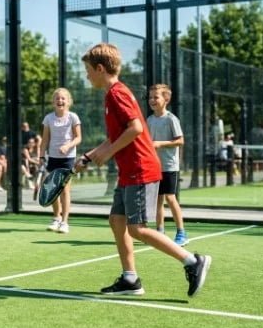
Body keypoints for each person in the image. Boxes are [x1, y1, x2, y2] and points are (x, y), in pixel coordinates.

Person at [77, 42, 211, 297]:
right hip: (129, 172)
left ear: (100, 68)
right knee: (117, 220)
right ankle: (130, 279)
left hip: (140, 169)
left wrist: (110, 152)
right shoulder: (111, 95)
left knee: (137, 228)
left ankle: (193, 261)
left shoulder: (117, 93)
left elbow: (137, 128)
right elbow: (115, 136)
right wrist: (89, 156)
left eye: (88, 70)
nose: (86, 75)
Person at [147, 84, 188, 246]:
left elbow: (180, 140)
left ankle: (181, 232)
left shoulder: (171, 119)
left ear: (166, 99)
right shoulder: (149, 120)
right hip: (155, 166)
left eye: (155, 97)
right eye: (150, 97)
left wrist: (160, 144)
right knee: (158, 199)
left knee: (170, 198)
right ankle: (160, 231)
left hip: (170, 166)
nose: (152, 100)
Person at [39, 88, 82, 234]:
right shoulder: (48, 118)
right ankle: (56, 219)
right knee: (53, 190)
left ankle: (65, 222)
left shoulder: (73, 117)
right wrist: (41, 156)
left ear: (68, 101)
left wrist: (68, 146)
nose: (60, 101)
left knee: (64, 190)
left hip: (68, 159)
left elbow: (78, 138)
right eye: (57, 98)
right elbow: (45, 140)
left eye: (63, 98)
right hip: (53, 158)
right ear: (53, 102)